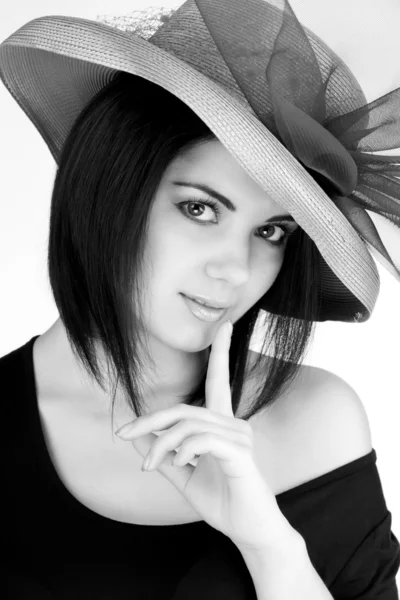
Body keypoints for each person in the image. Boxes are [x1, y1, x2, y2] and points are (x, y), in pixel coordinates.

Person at [2, 0, 400, 598]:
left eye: (272, 232)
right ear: (109, 191)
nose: (235, 269)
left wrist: (269, 545)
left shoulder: (318, 421)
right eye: (199, 208)